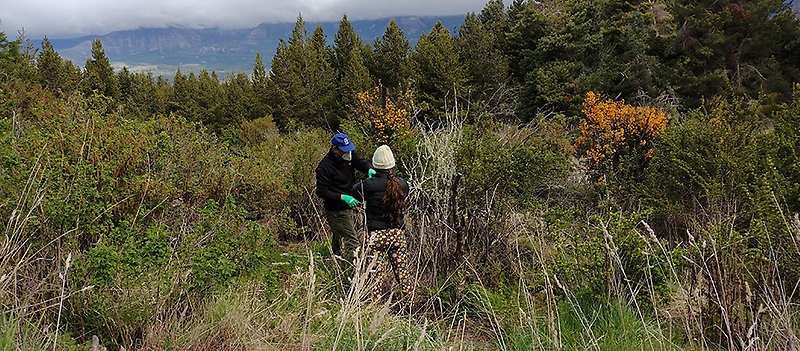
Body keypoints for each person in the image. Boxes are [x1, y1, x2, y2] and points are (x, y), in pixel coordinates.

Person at [351, 145, 412, 302]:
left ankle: (375, 308)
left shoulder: (368, 185)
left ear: (375, 165)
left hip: (376, 236)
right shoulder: (402, 184)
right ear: (392, 165)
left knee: (375, 276)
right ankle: (409, 304)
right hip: (397, 234)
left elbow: (354, 190)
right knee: (403, 273)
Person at [315, 132, 375, 266]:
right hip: (336, 210)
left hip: (349, 205)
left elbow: (359, 162)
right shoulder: (325, 167)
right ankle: (352, 268)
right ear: (334, 149)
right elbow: (321, 191)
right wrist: (342, 197)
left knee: (339, 235)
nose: (348, 154)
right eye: (343, 151)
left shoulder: (349, 153)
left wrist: (369, 169)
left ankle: (336, 261)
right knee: (352, 241)